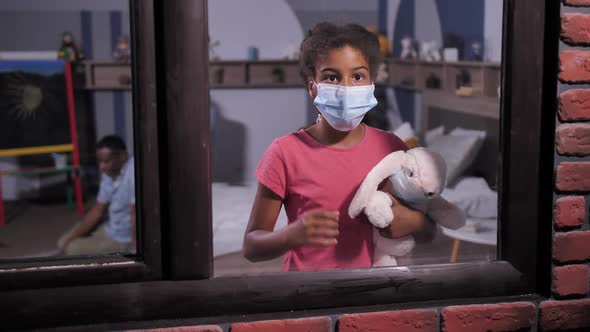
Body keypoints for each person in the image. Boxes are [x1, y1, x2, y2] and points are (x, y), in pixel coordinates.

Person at [242, 22, 434, 271]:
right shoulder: (284, 153)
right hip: (305, 296)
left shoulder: (392, 148)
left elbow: (430, 232)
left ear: (371, 84)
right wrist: (290, 235)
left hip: (375, 296)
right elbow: (251, 247)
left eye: (357, 76)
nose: (346, 88)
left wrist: (415, 223)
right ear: (313, 87)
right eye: (332, 77)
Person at [57, 135, 135, 255]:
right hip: (109, 228)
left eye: (106, 161)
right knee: (63, 242)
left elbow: (134, 215)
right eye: (99, 161)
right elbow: (98, 210)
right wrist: (70, 239)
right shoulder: (110, 171)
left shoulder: (133, 172)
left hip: (123, 239)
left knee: (72, 249)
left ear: (123, 156)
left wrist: (135, 249)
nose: (101, 167)